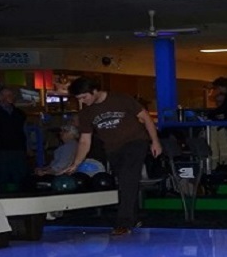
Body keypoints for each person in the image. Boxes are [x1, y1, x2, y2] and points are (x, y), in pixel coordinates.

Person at [64, 77, 163, 236]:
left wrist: (155, 141)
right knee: (125, 182)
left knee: (127, 178)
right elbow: (84, 140)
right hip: (113, 149)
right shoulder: (86, 112)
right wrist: (76, 163)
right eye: (79, 99)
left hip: (135, 142)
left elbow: (146, 118)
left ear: (94, 91)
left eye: (84, 97)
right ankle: (134, 217)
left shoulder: (121, 99)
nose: (82, 101)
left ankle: (123, 223)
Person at [0, 86, 28, 191]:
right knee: (1, 176)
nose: (6, 98)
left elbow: (24, 131)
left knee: (20, 176)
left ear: (13, 97)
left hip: (18, 148)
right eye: (4, 95)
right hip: (1, 149)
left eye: (9, 95)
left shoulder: (20, 113)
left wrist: (28, 147)